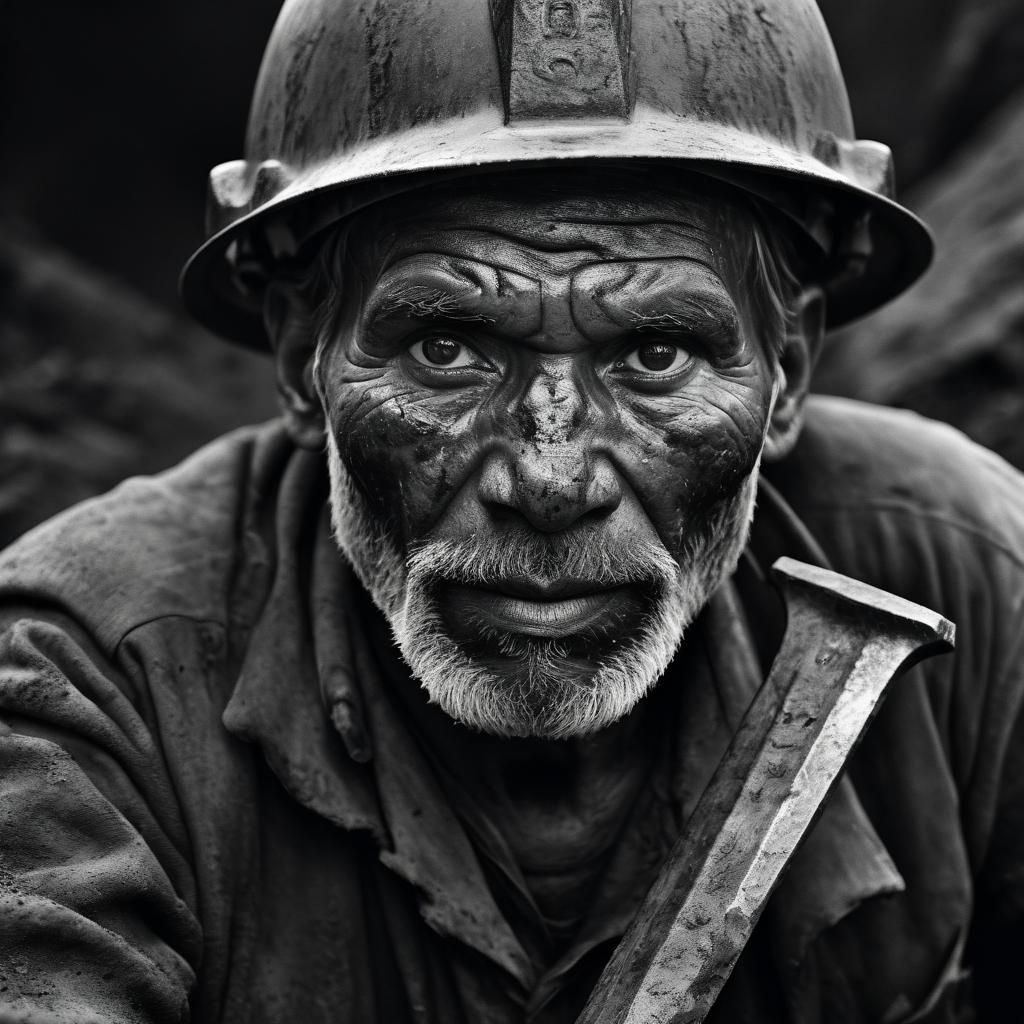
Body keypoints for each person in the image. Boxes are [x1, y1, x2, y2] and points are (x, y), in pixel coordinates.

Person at [0, 1, 1020, 1021]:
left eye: (653, 353)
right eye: (449, 347)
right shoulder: (83, 676)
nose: (548, 477)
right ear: (300, 361)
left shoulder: (970, 571)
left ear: (787, 372)